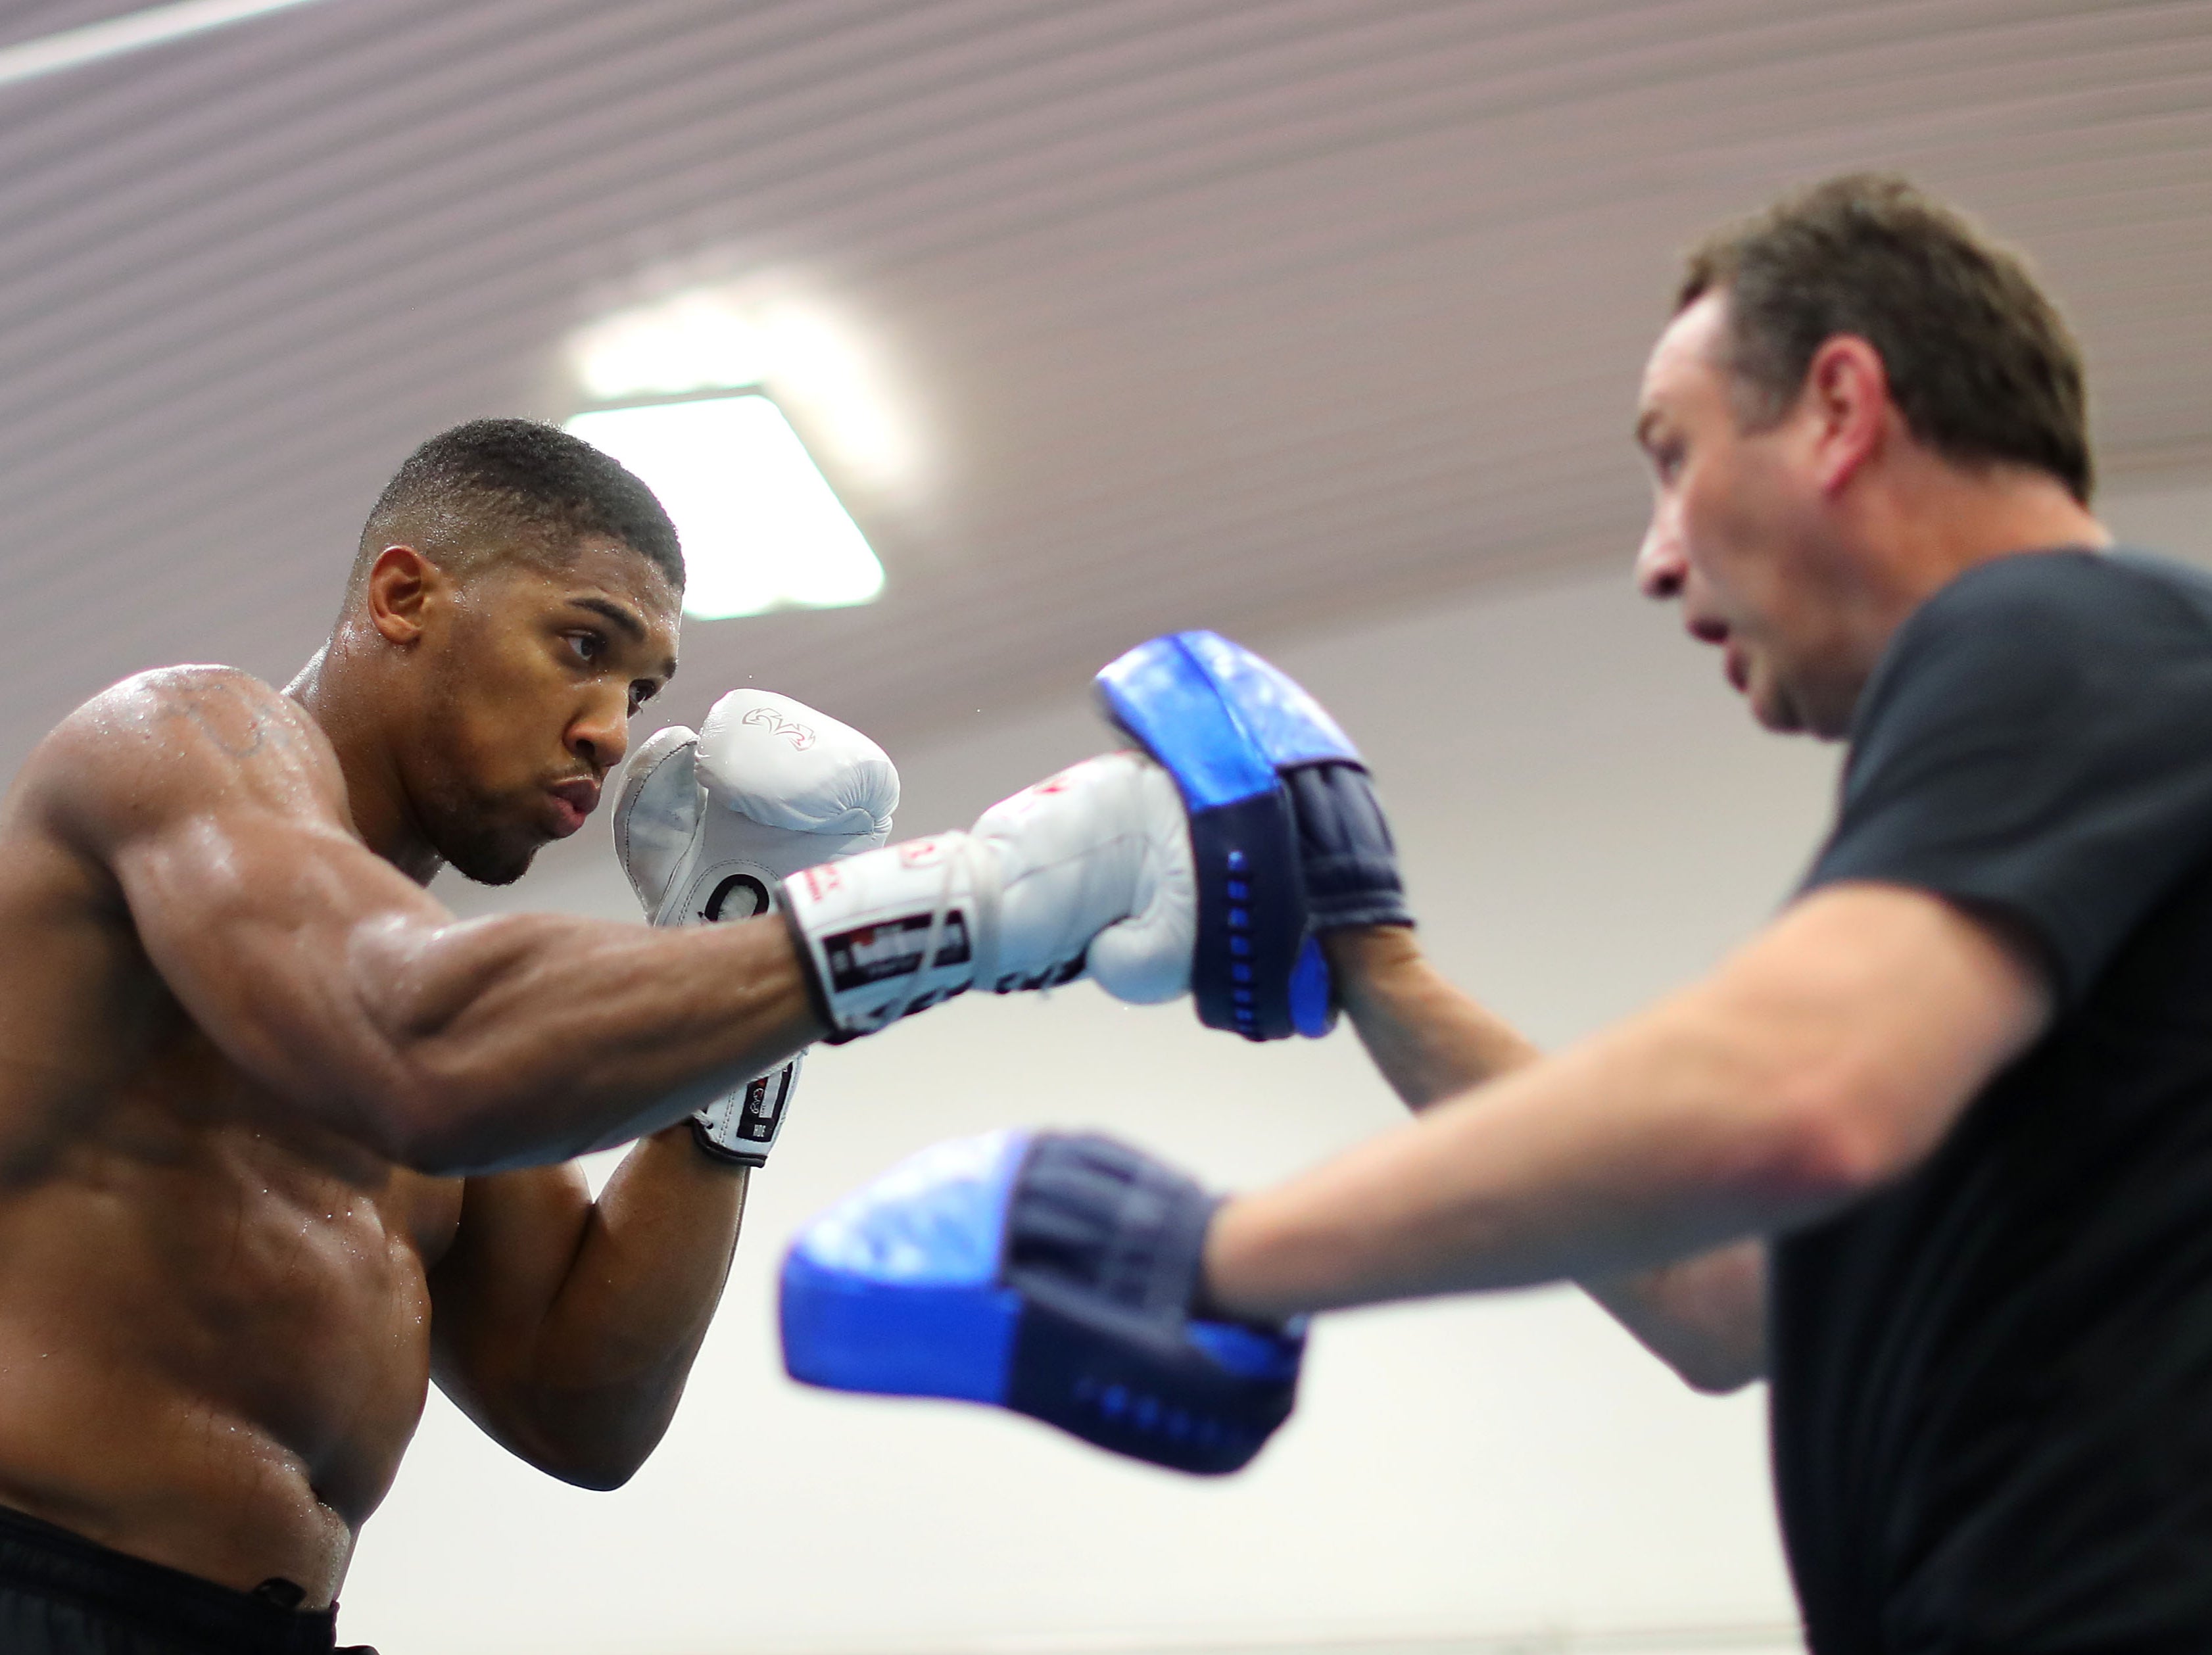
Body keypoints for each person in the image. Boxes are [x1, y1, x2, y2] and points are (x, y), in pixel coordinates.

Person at [792, 174, 2212, 1649]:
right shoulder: (2069, 821)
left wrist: (1202, 1254)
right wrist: (1369, 964)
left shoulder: (2058, 631)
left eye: (1674, 456)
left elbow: (1792, 1099)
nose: (1657, 556)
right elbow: (1712, 1285)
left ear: (1839, 408)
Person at [0, 417, 1194, 1654]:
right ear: (405, 596)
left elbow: (583, 1403)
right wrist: (952, 906)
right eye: (582, 645)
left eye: (638, 690)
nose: (611, 729)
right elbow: (409, 1039)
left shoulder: (460, 1014)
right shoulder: (182, 744)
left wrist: (744, 1007)